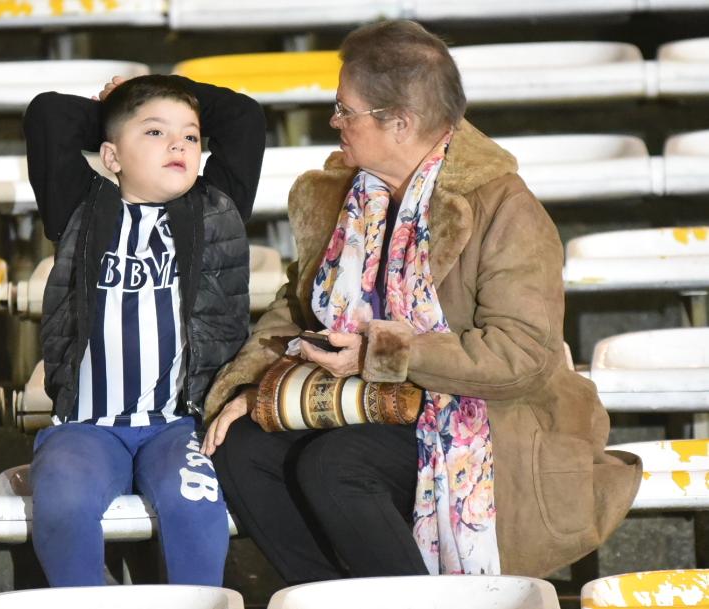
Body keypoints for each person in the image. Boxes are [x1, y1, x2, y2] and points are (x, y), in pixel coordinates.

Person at [202, 20, 641, 581]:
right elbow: (298, 306)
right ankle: (335, 597)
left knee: (337, 465)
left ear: (400, 123)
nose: (333, 122)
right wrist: (259, 389)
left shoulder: (506, 209)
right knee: (239, 449)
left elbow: (520, 358)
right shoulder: (349, 191)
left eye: (345, 110)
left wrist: (380, 354)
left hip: (486, 422)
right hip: (362, 403)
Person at [23, 74, 265, 587]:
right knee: (62, 501)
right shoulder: (78, 209)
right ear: (111, 157)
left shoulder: (216, 209)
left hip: (177, 425)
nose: (178, 143)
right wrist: (122, 106)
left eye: (192, 135)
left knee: (193, 506)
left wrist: (154, 88)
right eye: (155, 134)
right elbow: (47, 115)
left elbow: (244, 119)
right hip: (88, 426)